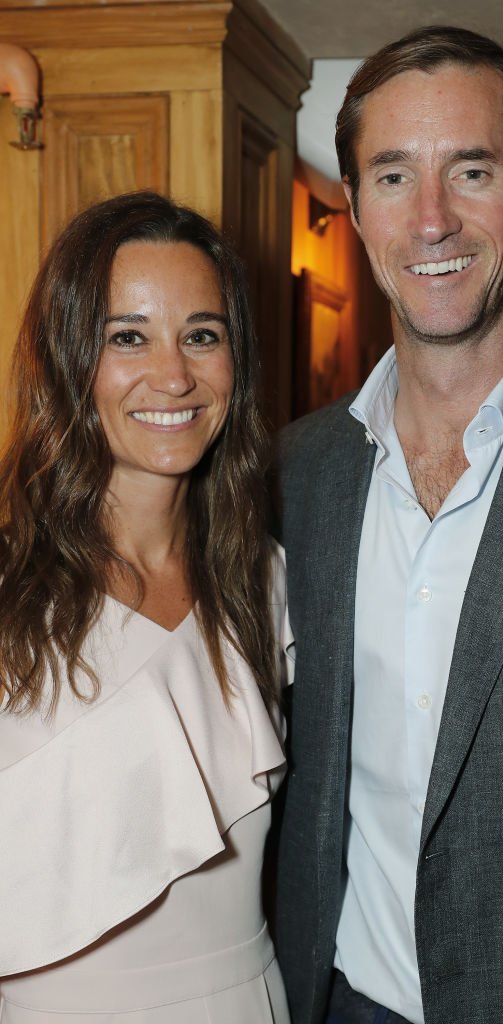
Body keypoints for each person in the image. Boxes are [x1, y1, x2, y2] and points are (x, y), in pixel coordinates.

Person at [273, 24, 503, 1024]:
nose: (430, 220)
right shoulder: (296, 472)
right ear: (354, 209)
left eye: (470, 170)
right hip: (345, 998)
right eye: (393, 178)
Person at [0, 191, 292, 1022]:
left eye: (202, 334)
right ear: (67, 358)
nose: (173, 375)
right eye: (127, 336)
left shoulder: (264, 583)